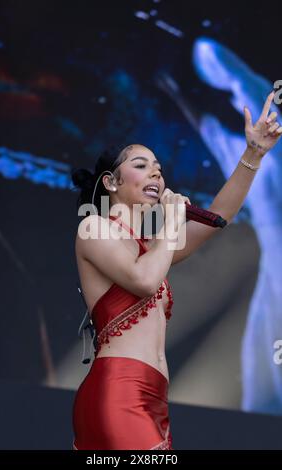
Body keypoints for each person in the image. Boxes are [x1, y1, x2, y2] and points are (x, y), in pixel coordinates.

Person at [71, 92, 282, 450]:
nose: (155, 171)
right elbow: (144, 279)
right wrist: (170, 222)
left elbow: (219, 218)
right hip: (118, 390)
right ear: (110, 182)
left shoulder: (154, 246)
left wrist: (254, 154)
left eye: (158, 167)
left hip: (154, 398)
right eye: (141, 164)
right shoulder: (93, 229)